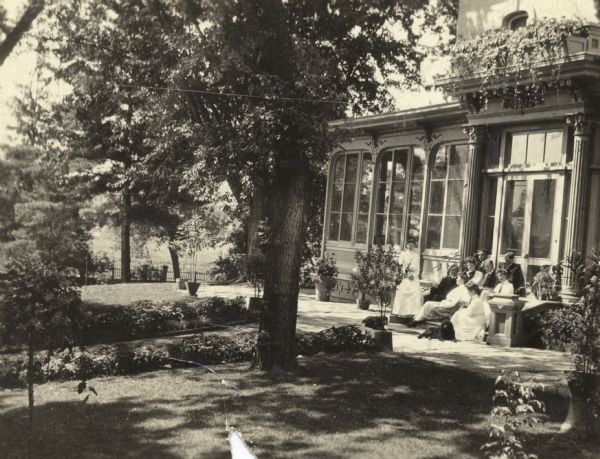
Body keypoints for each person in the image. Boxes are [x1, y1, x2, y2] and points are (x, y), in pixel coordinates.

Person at [392, 238, 422, 316]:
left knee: (416, 292)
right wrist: (408, 275)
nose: (410, 246)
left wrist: (414, 275)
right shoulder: (403, 254)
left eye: (412, 245)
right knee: (402, 292)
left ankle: (413, 313)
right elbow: (401, 266)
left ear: (414, 245)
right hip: (405, 277)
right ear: (406, 245)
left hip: (414, 277)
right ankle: (402, 312)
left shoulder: (416, 255)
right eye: (409, 244)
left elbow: (418, 268)